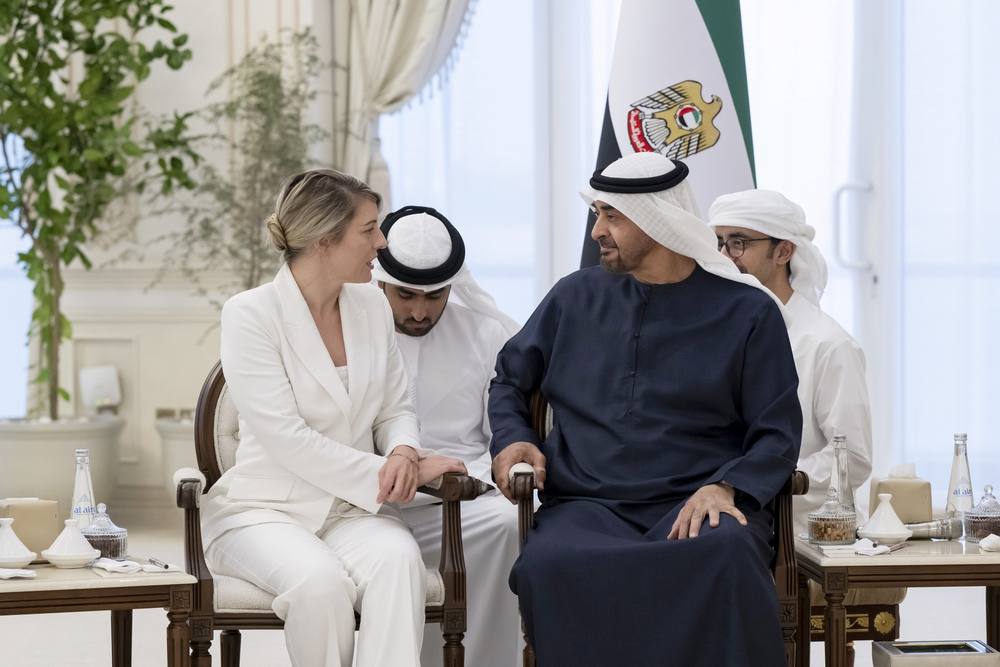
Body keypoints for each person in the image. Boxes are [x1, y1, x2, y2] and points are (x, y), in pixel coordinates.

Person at [488, 152, 803, 666]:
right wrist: (514, 439)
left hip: (697, 503)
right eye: (597, 215)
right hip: (587, 506)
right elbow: (508, 381)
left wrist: (727, 487)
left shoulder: (747, 311)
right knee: (551, 562)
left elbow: (777, 431)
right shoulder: (573, 297)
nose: (597, 231)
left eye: (612, 216)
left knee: (725, 552)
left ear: (658, 220)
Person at [200, 169, 466, 667]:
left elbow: (395, 408)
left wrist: (404, 451)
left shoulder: (371, 305)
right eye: (369, 229)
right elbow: (287, 439)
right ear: (324, 240)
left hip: (351, 512)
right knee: (320, 585)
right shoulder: (250, 314)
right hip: (263, 511)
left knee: (399, 563)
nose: (382, 242)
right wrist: (391, 473)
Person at [372, 205, 524, 667]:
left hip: (464, 499)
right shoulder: (351, 331)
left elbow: (501, 434)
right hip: (372, 499)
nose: (420, 312)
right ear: (380, 282)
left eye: (434, 296)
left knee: (509, 522)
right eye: (405, 295)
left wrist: (471, 474)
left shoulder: (486, 333)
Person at [709, 189, 872, 533]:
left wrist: (754, 481)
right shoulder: (714, 335)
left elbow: (851, 459)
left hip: (798, 531)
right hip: (716, 511)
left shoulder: (828, 344)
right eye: (719, 243)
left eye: (738, 243)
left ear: (783, 251)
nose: (724, 256)